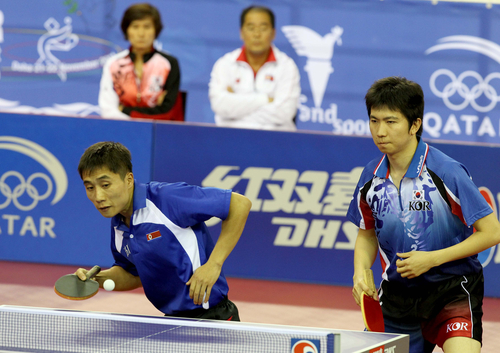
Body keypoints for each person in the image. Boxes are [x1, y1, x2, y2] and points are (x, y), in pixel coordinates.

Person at [346, 76, 500, 353]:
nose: (380, 131)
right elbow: (366, 233)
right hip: (397, 297)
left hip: (451, 291)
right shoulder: (370, 177)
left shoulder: (446, 172)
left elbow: (492, 232)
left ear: (415, 124)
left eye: (391, 122)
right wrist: (360, 272)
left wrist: (431, 260)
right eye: (374, 121)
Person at [76, 141, 251, 320]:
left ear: (128, 180)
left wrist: (214, 264)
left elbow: (239, 204)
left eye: (105, 185)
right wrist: (95, 279)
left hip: (213, 316)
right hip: (172, 319)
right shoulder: (119, 223)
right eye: (90, 188)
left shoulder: (166, 199)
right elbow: (133, 273)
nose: (98, 196)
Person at [208, 5, 300, 131]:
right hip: (231, 140)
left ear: (273, 33)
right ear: (241, 33)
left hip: (276, 142)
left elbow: (284, 113)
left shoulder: (287, 66)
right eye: (251, 28)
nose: (257, 34)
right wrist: (266, 99)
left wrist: (235, 109)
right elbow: (220, 106)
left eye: (263, 28)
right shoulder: (225, 64)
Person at [99, 3, 182, 121]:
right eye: (135, 26)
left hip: (159, 133)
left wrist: (125, 110)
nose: (141, 34)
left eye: (147, 27)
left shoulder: (169, 63)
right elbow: (108, 110)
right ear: (126, 30)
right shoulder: (114, 64)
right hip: (121, 130)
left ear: (156, 30)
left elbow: (167, 112)